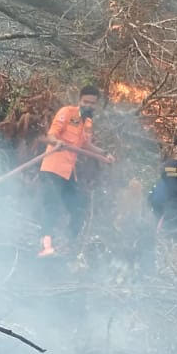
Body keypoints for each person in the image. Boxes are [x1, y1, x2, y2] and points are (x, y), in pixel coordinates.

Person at [37, 85, 114, 257]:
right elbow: (52, 134)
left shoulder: (88, 123)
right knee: (51, 206)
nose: (88, 105)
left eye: (92, 103)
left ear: (96, 105)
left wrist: (104, 154)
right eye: (85, 102)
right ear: (79, 100)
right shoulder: (67, 112)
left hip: (68, 172)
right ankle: (45, 247)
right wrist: (56, 142)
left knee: (77, 207)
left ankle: (67, 245)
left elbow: (86, 144)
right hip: (52, 167)